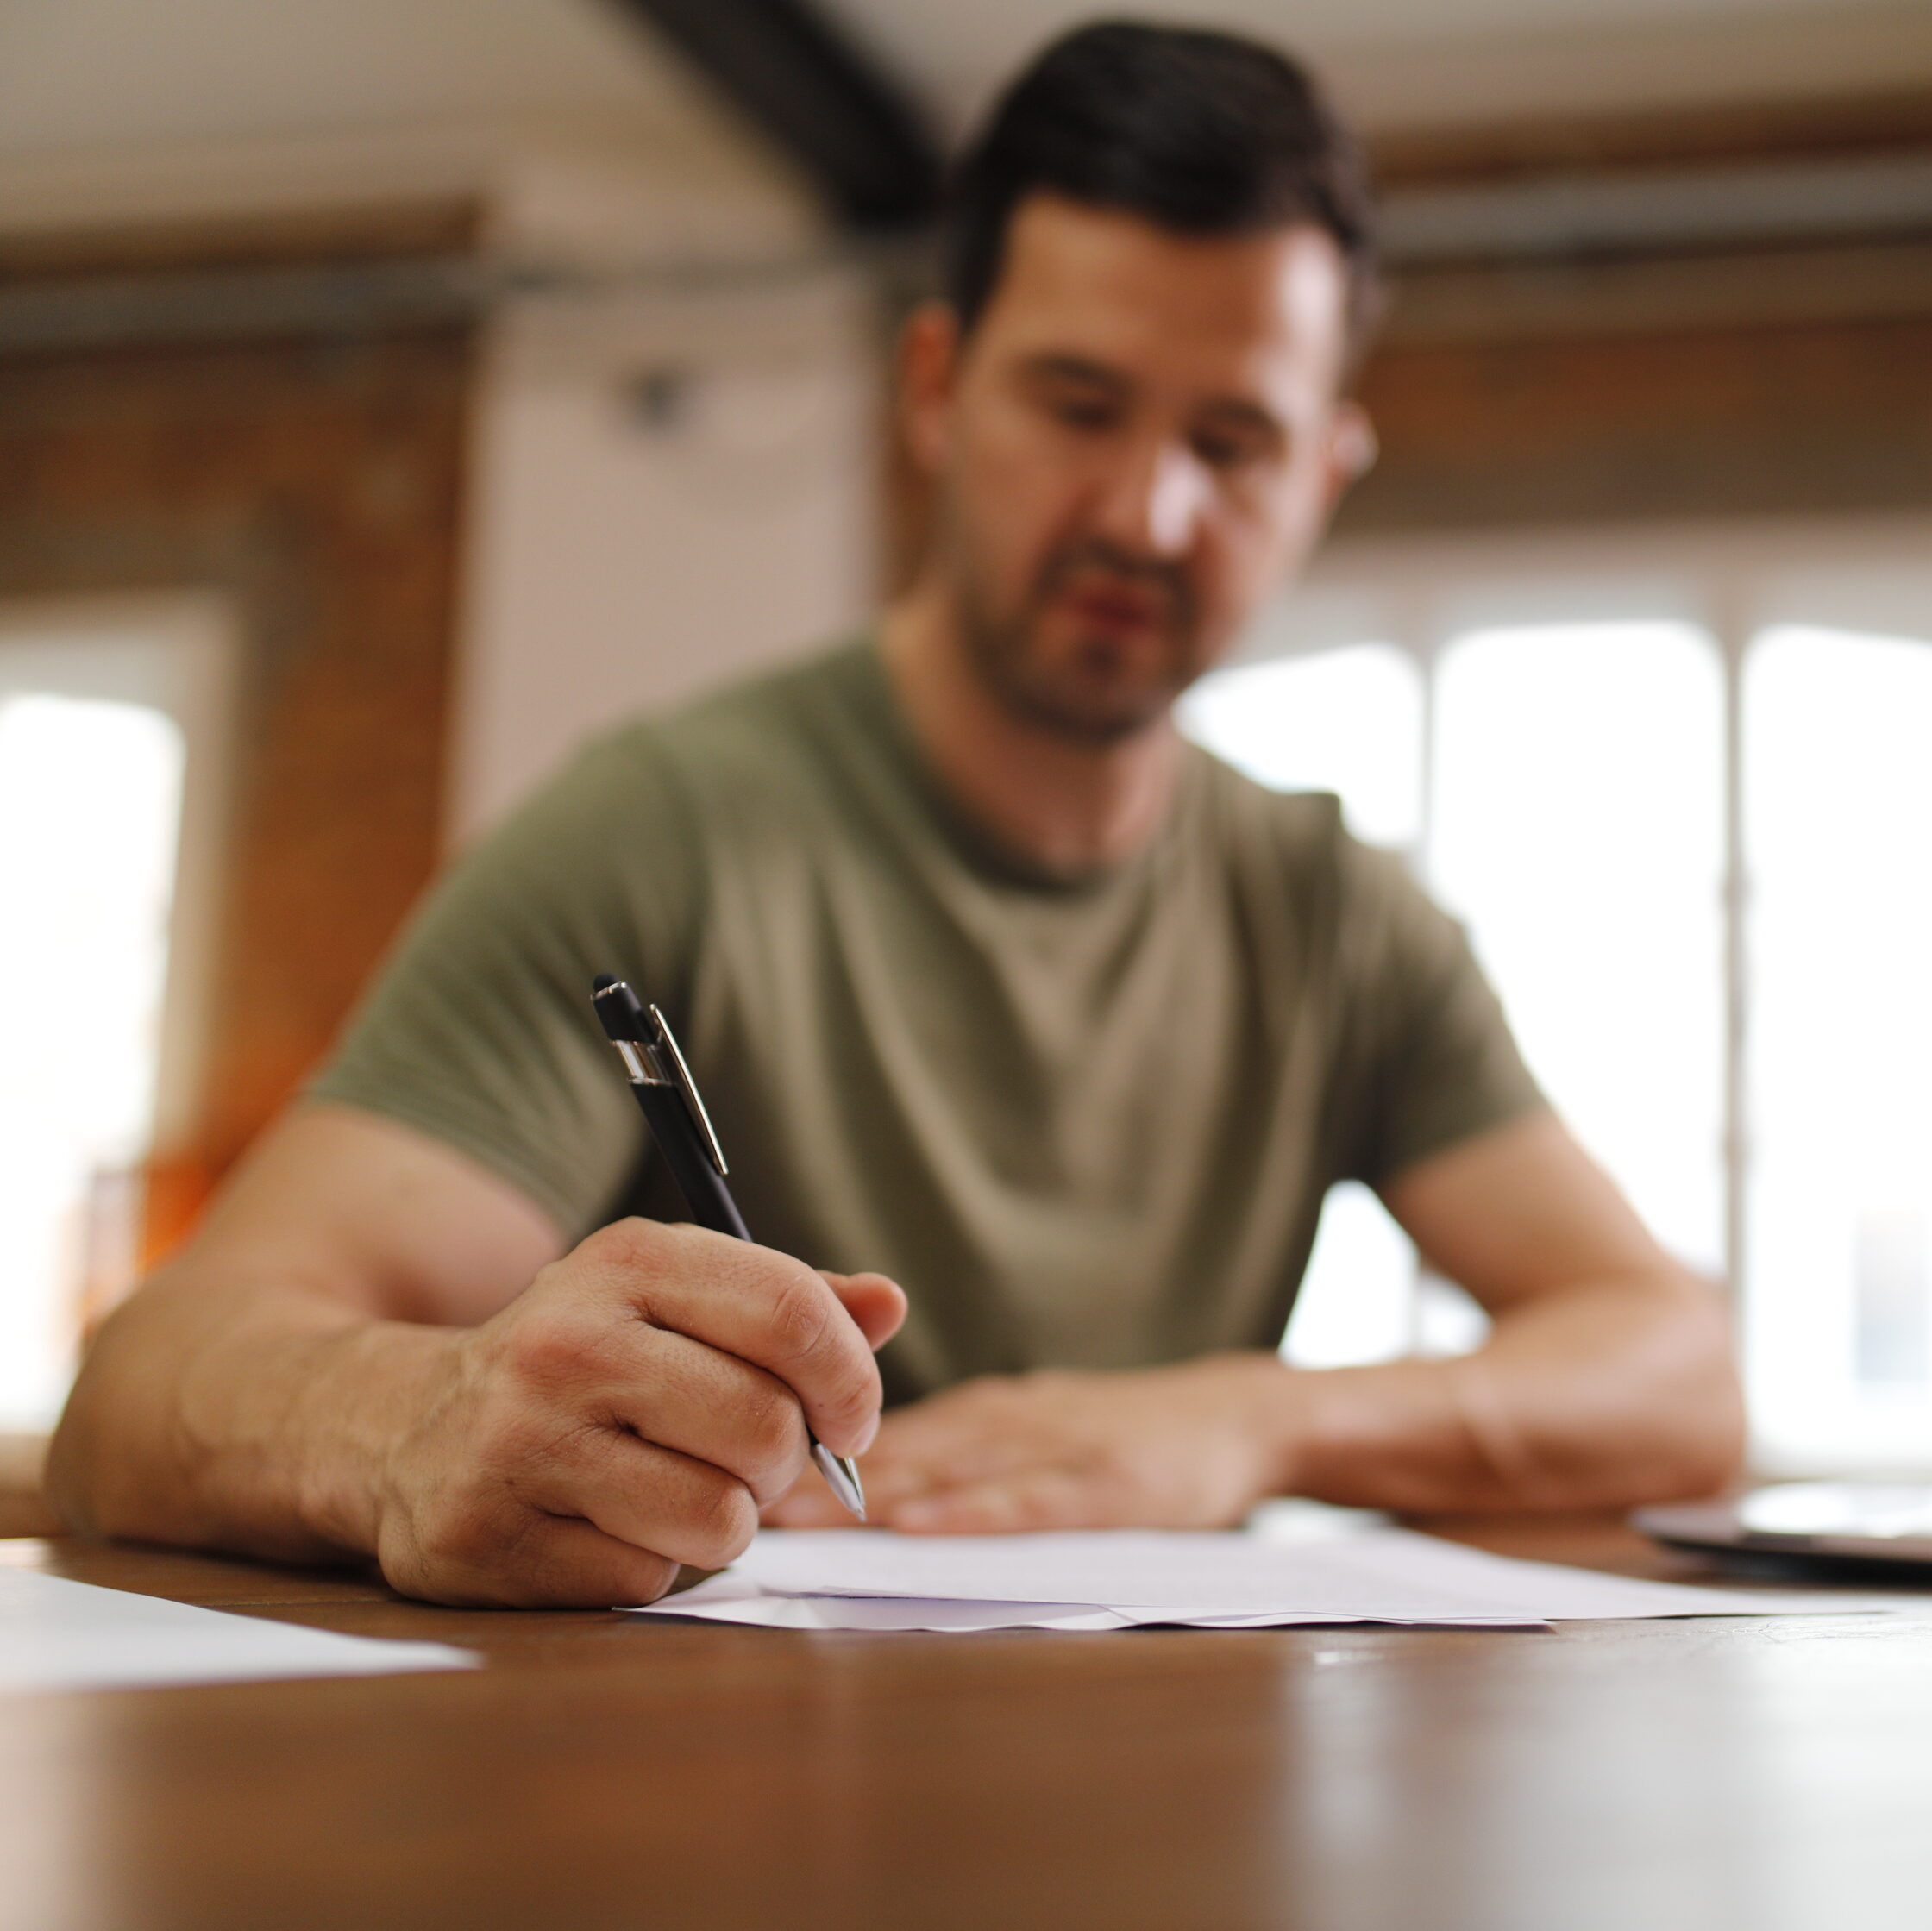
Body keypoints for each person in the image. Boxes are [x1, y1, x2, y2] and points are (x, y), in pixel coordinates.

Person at [49, 22, 1743, 1606]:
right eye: (1078, 405)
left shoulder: (1332, 911)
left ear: (1323, 475)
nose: (1146, 512)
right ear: (934, 388)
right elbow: (143, 1386)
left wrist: (1239, 1419)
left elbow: (1673, 1372)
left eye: (1232, 441)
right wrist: (416, 1419)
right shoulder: (656, 835)